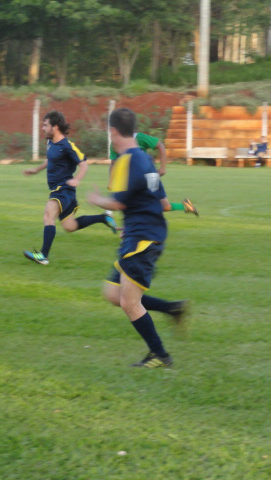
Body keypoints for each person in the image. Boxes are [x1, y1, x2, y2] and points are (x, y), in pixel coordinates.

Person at [89, 107, 188, 368]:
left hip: (142, 240)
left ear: (113, 132)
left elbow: (117, 204)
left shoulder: (126, 161)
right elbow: (162, 203)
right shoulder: (145, 159)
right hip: (141, 234)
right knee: (113, 293)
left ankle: (160, 355)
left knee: (129, 302)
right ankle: (172, 309)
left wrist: (95, 199)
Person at [22, 110, 117, 265]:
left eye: (45, 125)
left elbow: (84, 165)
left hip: (63, 190)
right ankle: (104, 218)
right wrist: (36, 170)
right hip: (61, 190)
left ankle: (43, 256)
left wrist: (77, 180)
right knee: (70, 226)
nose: (43, 128)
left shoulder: (67, 146)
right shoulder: (51, 143)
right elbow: (50, 159)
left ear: (55, 127)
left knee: (48, 215)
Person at [109, 131, 198, 216]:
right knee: (152, 205)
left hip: (149, 175)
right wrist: (111, 181)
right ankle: (185, 206)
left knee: (160, 206)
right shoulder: (115, 143)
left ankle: (185, 206)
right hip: (133, 179)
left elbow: (160, 145)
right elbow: (113, 163)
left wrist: (163, 168)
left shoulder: (140, 137)